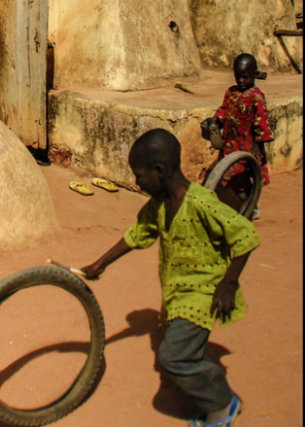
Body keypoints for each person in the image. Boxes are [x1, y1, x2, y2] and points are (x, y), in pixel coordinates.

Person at [80, 129, 258, 427]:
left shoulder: (202, 203)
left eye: (139, 176)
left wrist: (229, 283)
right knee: (185, 351)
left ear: (159, 171)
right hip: (177, 294)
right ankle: (209, 387)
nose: (137, 182)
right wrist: (99, 264)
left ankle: (224, 403)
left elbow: (246, 235)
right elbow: (136, 235)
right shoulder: (158, 205)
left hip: (203, 293)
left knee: (173, 358)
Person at [203, 53, 273, 219]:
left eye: (245, 77)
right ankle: (250, 205)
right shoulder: (231, 92)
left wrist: (257, 145)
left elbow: (261, 122)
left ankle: (249, 207)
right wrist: (215, 121)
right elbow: (224, 110)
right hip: (231, 144)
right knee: (237, 180)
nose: (241, 81)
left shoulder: (256, 97)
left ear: (255, 75)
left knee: (241, 178)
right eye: (238, 77)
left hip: (248, 146)